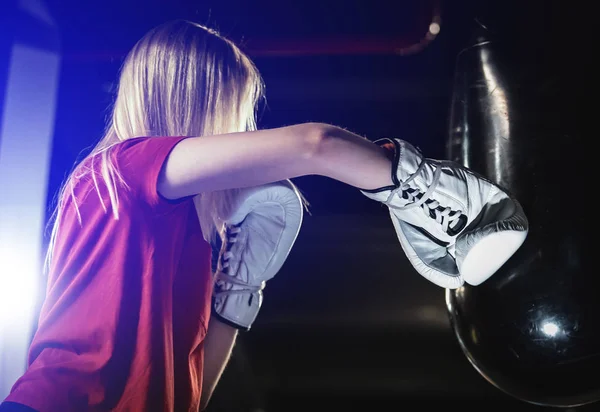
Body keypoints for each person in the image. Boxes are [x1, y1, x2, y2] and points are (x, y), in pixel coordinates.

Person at [0, 19, 527, 412]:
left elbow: (189, 396)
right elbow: (315, 145)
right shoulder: (121, 169)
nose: (243, 127)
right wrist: (409, 184)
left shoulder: (185, 237)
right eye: (236, 110)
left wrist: (236, 291)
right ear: (201, 104)